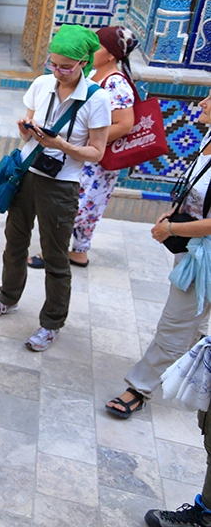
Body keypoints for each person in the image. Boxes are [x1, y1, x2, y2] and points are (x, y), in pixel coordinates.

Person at [0, 24, 111, 352]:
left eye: (66, 66)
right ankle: (7, 297)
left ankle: (52, 322)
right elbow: (26, 132)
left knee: (54, 255)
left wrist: (61, 144)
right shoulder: (42, 85)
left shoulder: (97, 99)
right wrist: (27, 130)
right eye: (53, 64)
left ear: (83, 62)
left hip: (61, 184)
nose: (58, 72)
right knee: (14, 242)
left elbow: (97, 152)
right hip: (27, 174)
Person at [106, 90, 211, 419]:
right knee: (191, 317)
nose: (202, 103)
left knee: (175, 322)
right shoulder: (208, 135)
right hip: (194, 249)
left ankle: (139, 387)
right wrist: (174, 214)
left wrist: (173, 230)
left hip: (202, 255)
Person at [29, 25, 139, 269]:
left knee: (81, 205)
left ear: (111, 55)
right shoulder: (92, 76)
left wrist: (85, 139)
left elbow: (125, 123)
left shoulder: (115, 84)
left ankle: (60, 253)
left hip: (96, 160)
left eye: (97, 47)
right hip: (82, 156)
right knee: (84, 202)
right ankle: (77, 252)